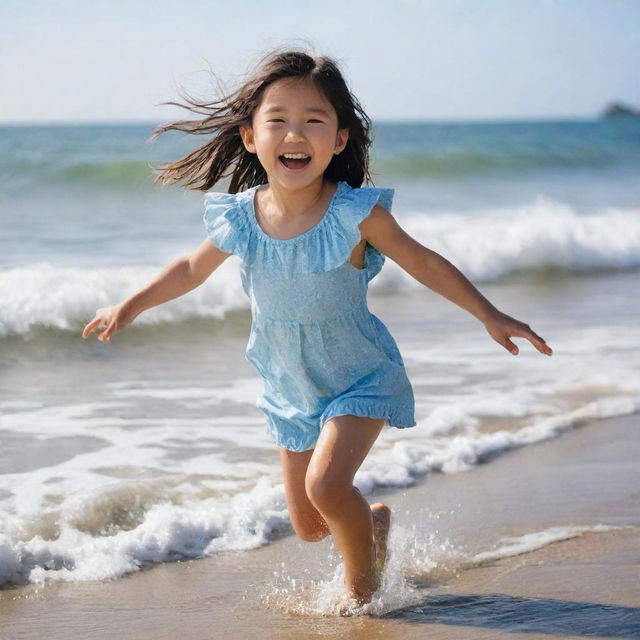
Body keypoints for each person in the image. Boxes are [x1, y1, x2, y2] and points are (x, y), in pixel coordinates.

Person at [82, 47, 553, 613]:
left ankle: (362, 593)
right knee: (309, 523)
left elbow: (424, 261)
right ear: (251, 137)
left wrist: (489, 314)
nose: (294, 132)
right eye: (277, 119)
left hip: (360, 375)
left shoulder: (355, 214)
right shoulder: (240, 217)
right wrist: (129, 306)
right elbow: (189, 268)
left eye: (313, 120)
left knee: (327, 488)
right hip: (290, 388)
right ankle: (372, 526)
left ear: (340, 139)